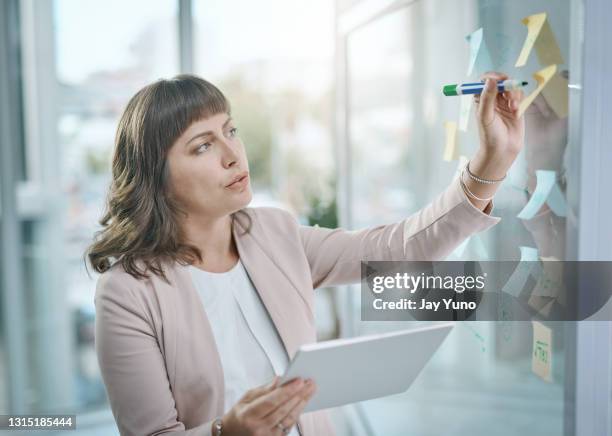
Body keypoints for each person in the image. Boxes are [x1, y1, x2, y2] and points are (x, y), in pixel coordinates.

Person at [87, 73, 524, 436]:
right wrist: (226, 432)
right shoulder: (127, 292)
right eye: (203, 145)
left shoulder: (275, 233)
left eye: (230, 130)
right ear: (155, 177)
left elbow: (404, 247)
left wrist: (492, 160)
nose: (231, 153)